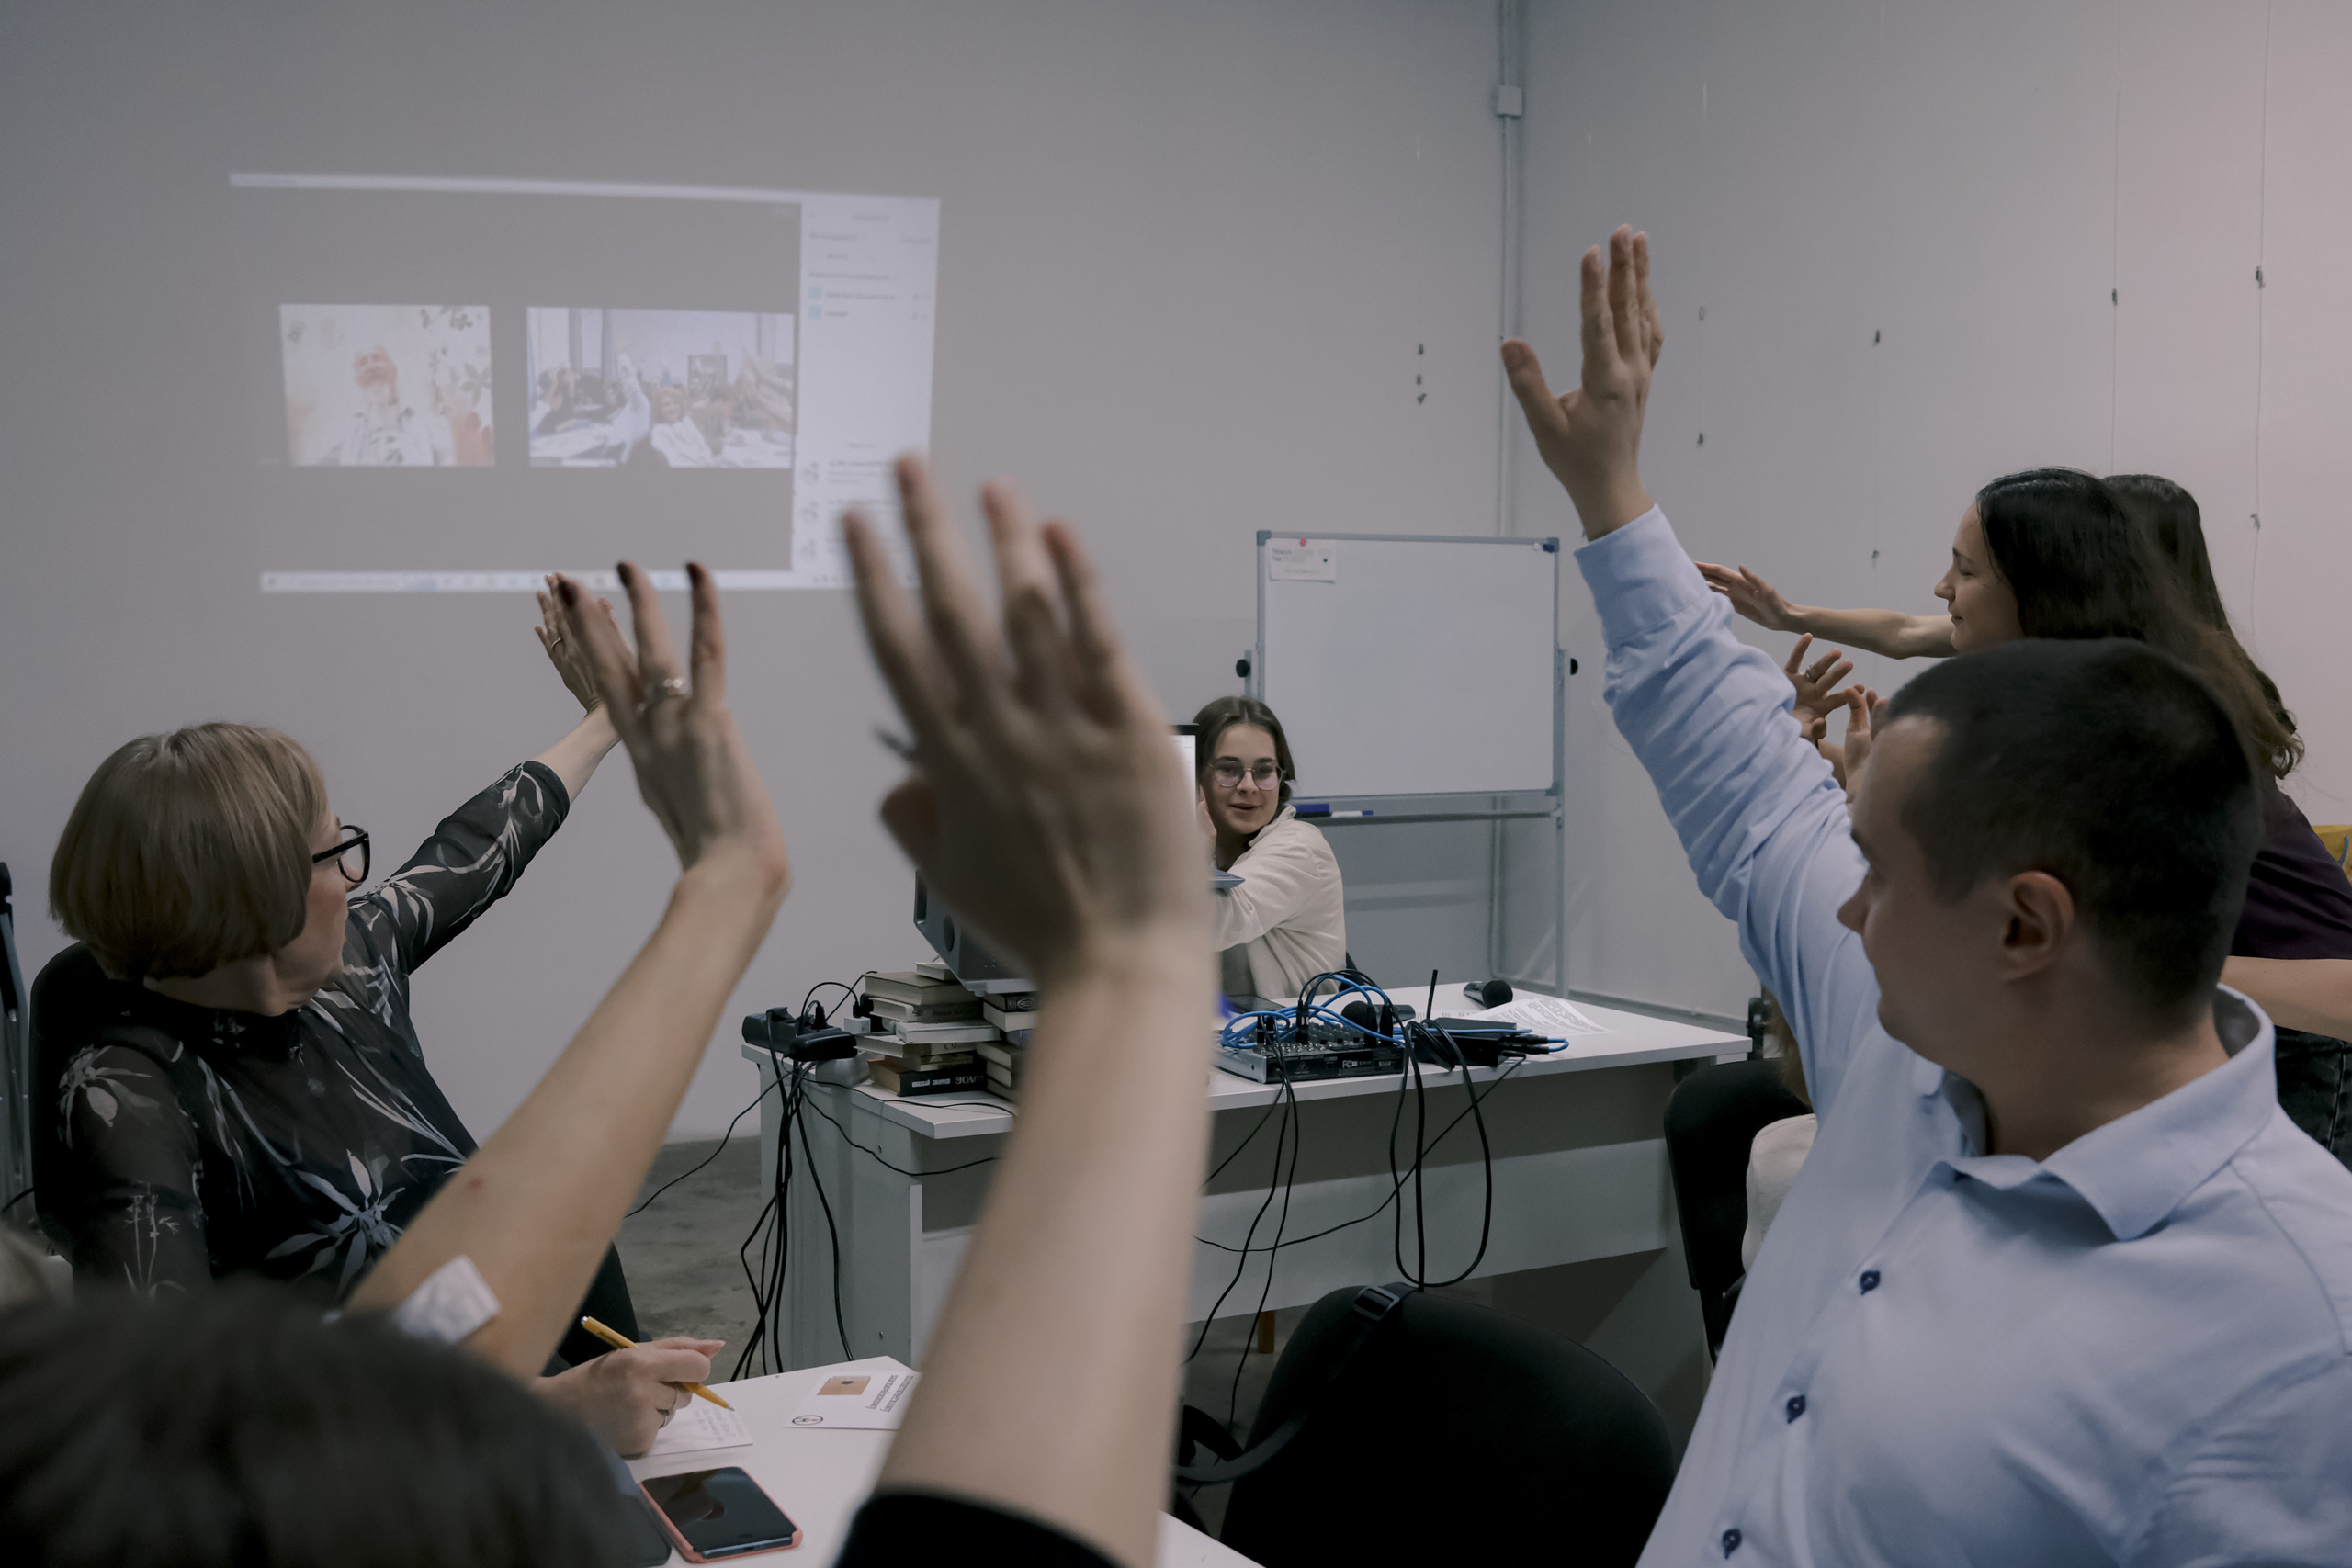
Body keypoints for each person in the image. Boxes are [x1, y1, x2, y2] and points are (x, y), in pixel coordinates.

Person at [1503, 227, 2352, 1562]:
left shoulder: (2299, 1321)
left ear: (2026, 923)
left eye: (1879, 871)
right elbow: (1735, 767)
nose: (1844, 908)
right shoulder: (1917, 1034)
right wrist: (1611, 492)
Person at [30, 583, 712, 1453]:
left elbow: (472, 851)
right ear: (258, 900)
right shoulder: (127, 1093)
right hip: (403, 1474)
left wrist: (604, 721)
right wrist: (553, 1411)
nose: (357, 877)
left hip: (547, 1383)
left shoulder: (346, 964)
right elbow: (178, 1418)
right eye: (334, 850)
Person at [1702, 473, 2352, 1164]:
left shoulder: (2143, 733)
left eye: (1965, 568)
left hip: (2299, 1038)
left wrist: (2101, 971)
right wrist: (1808, 747)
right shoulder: (2053, 699)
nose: (1941, 588)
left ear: (2042, 591)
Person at [1192, 695, 1346, 1002]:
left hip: (1285, 1039)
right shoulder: (1214, 851)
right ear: (1195, 777)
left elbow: (1210, 924)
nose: (1248, 786)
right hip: (1219, 1034)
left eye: (1263, 771)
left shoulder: (1300, 848)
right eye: (1228, 769)